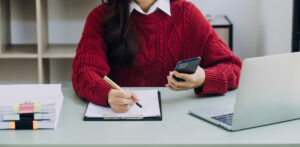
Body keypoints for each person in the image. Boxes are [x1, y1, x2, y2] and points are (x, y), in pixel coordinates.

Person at [72, 0, 242, 113]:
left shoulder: (188, 13)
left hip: (178, 123)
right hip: (124, 120)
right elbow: (83, 72)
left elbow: (233, 68)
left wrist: (204, 78)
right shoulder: (100, 16)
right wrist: (107, 95)